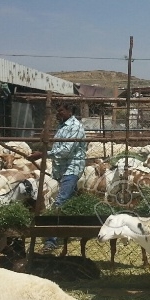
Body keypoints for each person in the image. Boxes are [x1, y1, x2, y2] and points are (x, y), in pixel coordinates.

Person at [28, 101, 87, 252]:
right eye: (57, 111)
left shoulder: (75, 127)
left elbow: (66, 150)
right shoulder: (62, 126)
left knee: (59, 202)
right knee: (69, 201)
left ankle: (51, 241)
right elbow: (57, 147)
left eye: (60, 111)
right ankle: (76, 229)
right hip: (61, 169)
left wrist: (43, 154)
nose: (58, 114)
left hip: (71, 169)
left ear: (69, 110)